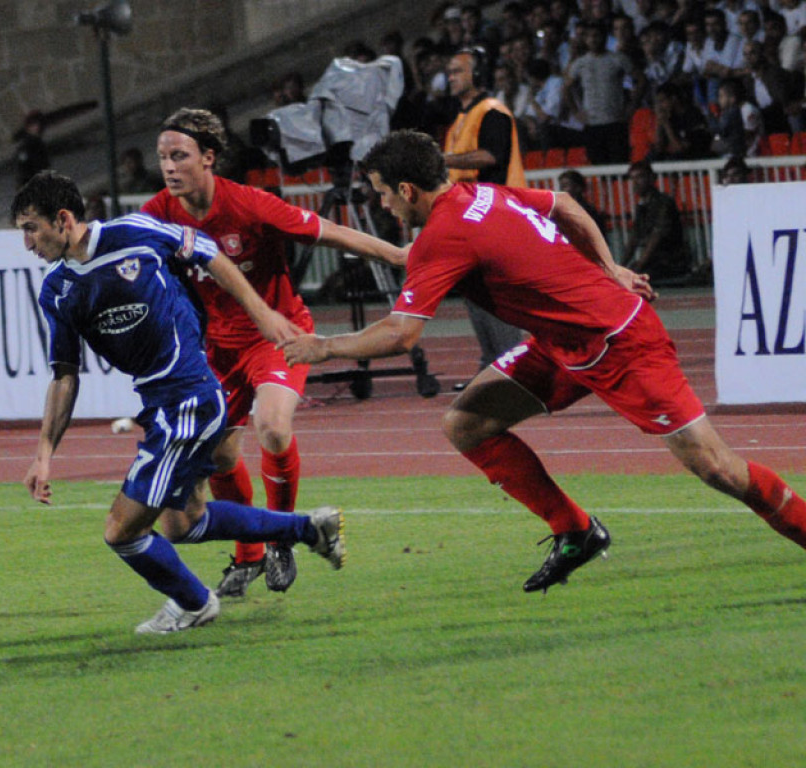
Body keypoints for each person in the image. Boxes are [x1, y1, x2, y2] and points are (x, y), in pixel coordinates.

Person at [281, 129, 806, 594]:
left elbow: (401, 335)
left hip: (620, 342)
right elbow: (566, 205)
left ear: (407, 190)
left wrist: (324, 347)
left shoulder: (444, 234)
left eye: (381, 194)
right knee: (467, 423)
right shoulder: (480, 194)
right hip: (561, 343)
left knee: (717, 467)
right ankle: (575, 530)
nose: (382, 205)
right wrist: (610, 268)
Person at [11, 170, 346, 634]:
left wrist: (262, 313)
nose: (27, 243)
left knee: (121, 530)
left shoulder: (134, 234)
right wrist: (44, 454)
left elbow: (210, 253)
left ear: (63, 219)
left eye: (32, 228)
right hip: (162, 406)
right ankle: (309, 529)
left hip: (188, 399)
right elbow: (64, 375)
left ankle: (194, 603)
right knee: (183, 523)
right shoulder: (57, 288)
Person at [142, 108, 407, 598]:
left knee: (274, 428)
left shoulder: (249, 204)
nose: (169, 167)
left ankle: (283, 537)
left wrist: (397, 255)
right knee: (220, 455)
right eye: (163, 158)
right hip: (216, 349)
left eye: (179, 156)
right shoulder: (157, 213)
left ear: (209, 157)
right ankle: (249, 555)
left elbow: (328, 231)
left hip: (277, 335)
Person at [442, 47, 527, 382]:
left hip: (496, 215)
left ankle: (513, 368)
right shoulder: (462, 118)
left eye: (457, 71)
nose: (450, 77)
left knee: (494, 295)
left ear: (477, 75)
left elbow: (492, 156)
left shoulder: (492, 111)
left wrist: (443, 160)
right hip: (471, 218)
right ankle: (493, 366)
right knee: (475, 293)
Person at [565, 20, 645, 164]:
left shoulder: (618, 59)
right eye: (589, 36)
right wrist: (576, 112)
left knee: (619, 163)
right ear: (585, 39)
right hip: (592, 123)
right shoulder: (579, 63)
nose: (593, 40)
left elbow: (641, 80)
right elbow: (566, 88)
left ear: (604, 37)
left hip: (615, 121)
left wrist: (632, 107)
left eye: (596, 35)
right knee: (598, 165)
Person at [622, 159, 691, 283]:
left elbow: (656, 237)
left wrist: (640, 264)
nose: (635, 183)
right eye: (632, 179)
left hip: (670, 262)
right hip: (654, 262)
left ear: (652, 178)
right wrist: (619, 267)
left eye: (640, 177)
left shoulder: (664, 203)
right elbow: (634, 238)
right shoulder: (641, 206)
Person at [557, 169, 607, 236]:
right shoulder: (561, 210)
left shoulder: (588, 211)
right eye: (561, 186)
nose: (562, 190)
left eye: (565, 186)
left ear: (578, 187)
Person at [14, 109, 50, 189]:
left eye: (37, 124)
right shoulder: (26, 145)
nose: (35, 128)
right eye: (32, 125)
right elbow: (23, 167)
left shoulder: (38, 143)